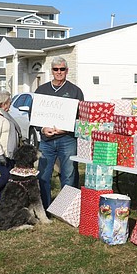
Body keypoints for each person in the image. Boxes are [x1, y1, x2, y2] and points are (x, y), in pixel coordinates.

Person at [35, 57, 84, 209]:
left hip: (67, 139)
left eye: (62, 69)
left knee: (69, 174)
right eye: (56, 69)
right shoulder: (41, 90)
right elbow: (34, 115)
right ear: (52, 71)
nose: (59, 72)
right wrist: (43, 129)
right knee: (43, 175)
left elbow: (80, 117)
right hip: (46, 140)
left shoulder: (75, 91)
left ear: (67, 71)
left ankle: (65, 209)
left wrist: (66, 128)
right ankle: (45, 207)